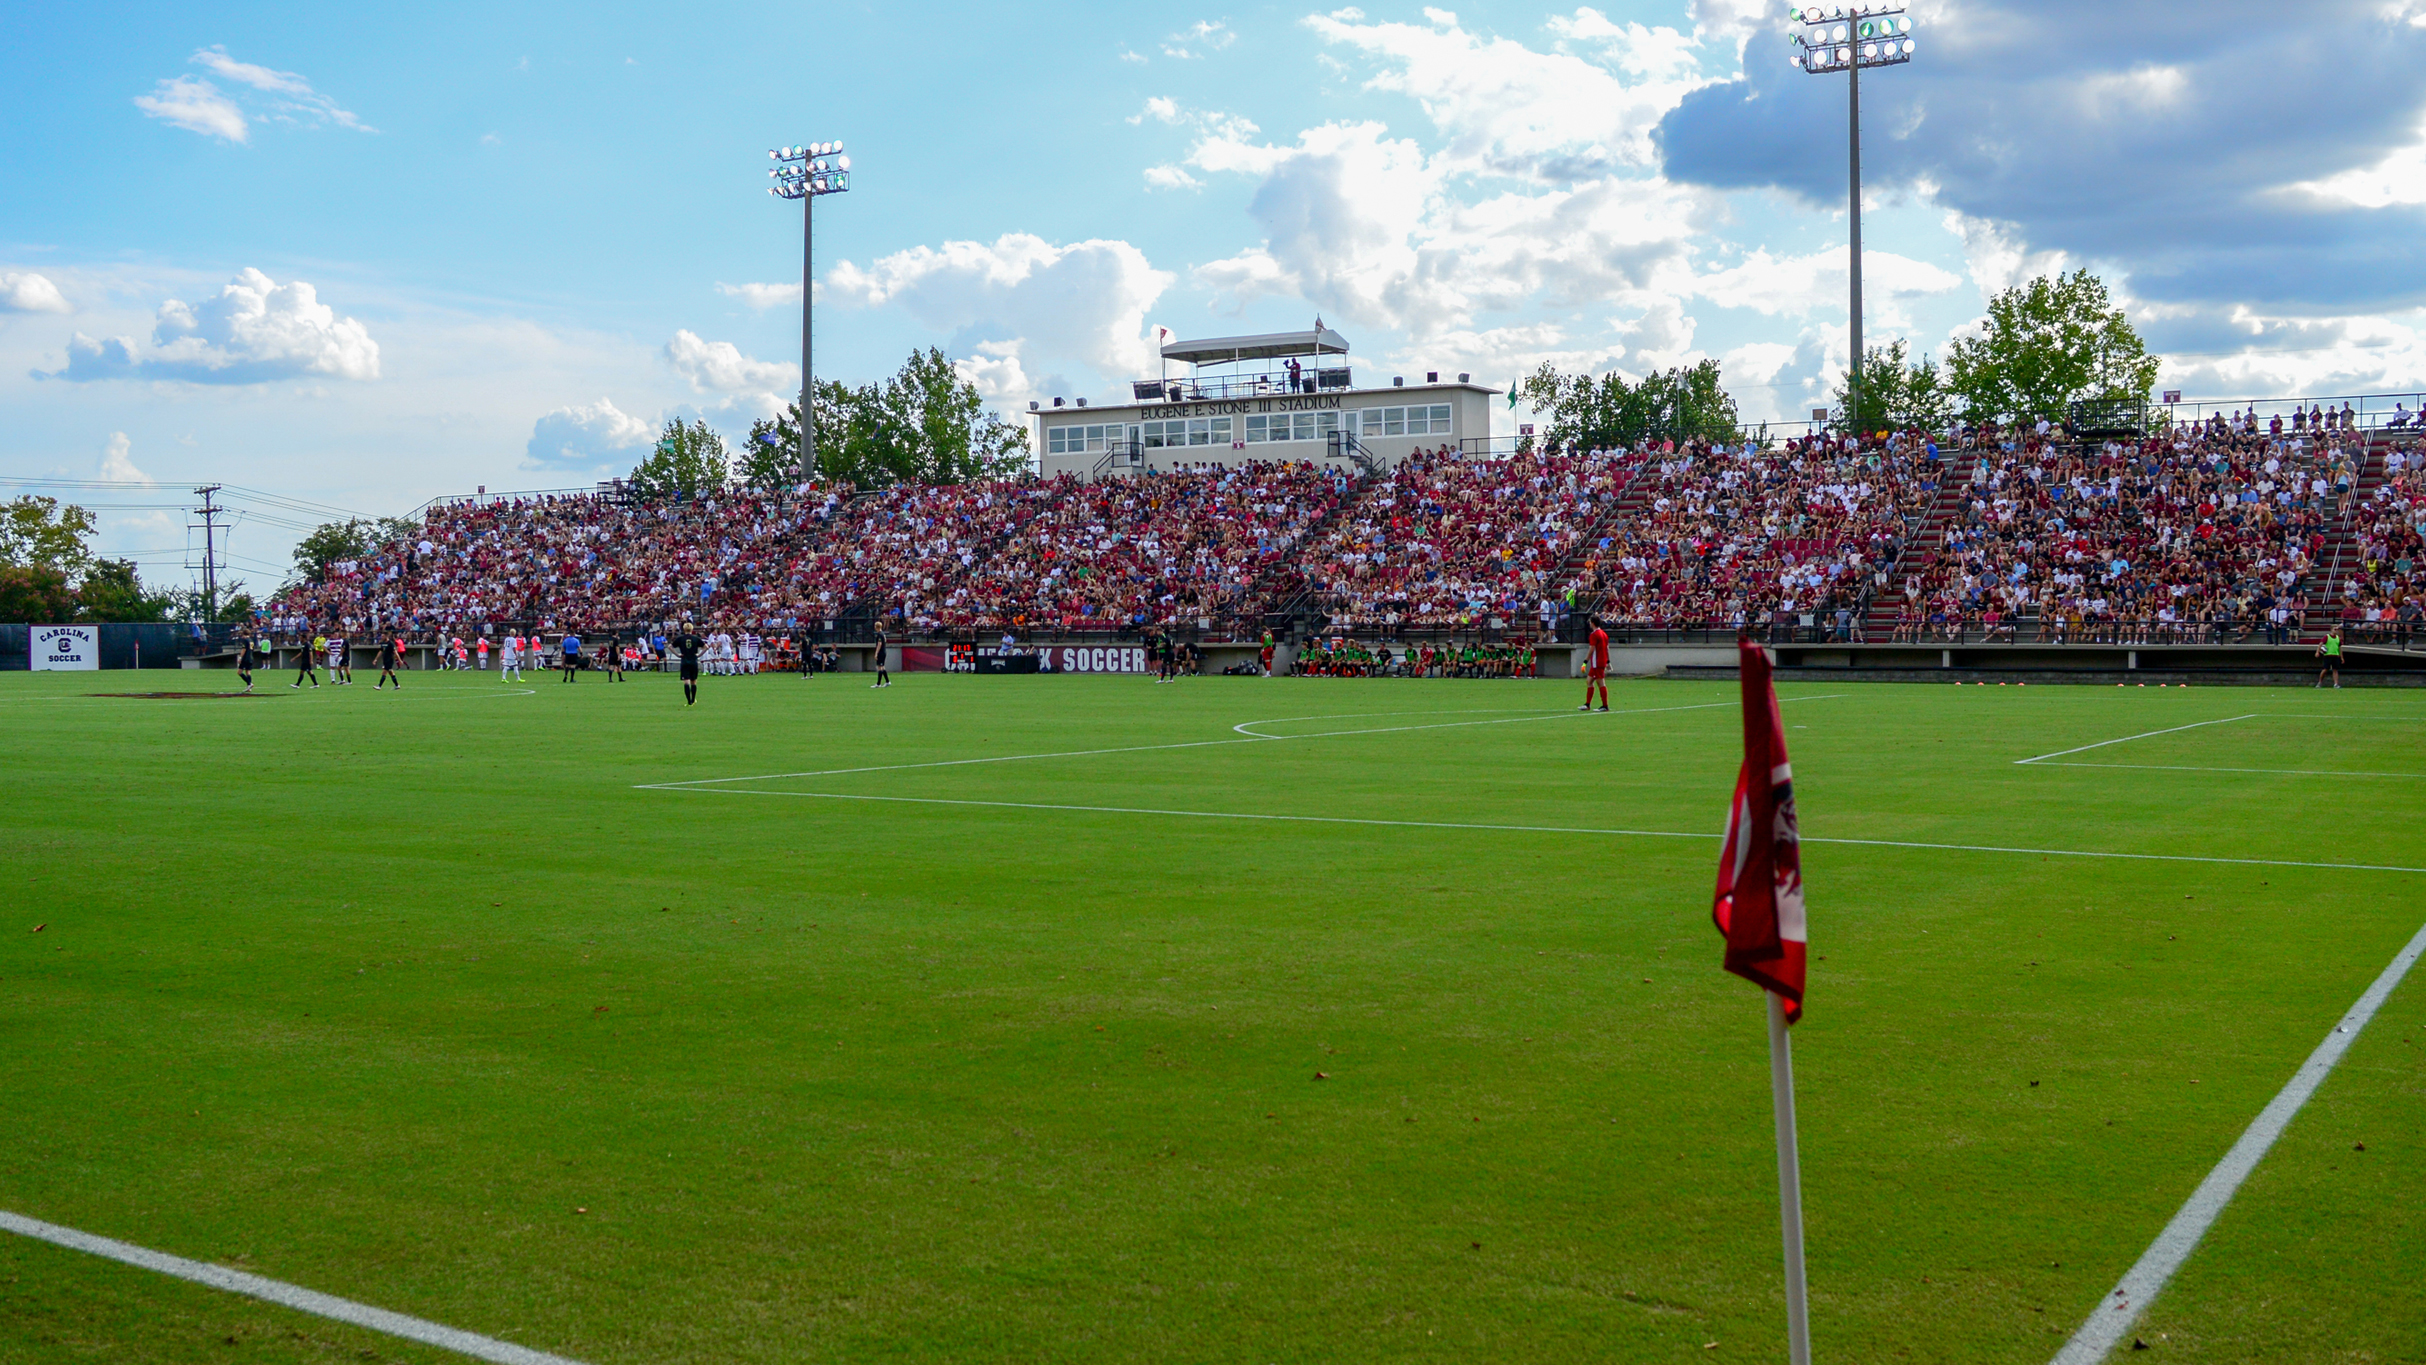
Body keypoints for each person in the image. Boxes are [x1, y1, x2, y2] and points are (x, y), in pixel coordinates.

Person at [1579, 616, 1610, 712]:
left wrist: (1585, 662)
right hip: (1599, 662)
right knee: (1589, 681)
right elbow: (1607, 648)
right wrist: (1608, 661)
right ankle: (1587, 704)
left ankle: (1605, 706)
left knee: (1600, 683)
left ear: (1592, 623)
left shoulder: (1594, 635)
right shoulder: (1604, 634)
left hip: (1597, 662)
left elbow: (1591, 649)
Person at [671, 627, 705, 706]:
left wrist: (677, 655)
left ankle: (689, 701)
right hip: (693, 661)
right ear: (692, 629)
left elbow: (670, 646)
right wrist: (699, 655)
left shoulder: (680, 638)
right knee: (693, 681)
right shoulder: (695, 638)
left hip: (684, 661)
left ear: (684, 629)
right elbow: (706, 647)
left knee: (686, 682)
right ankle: (693, 700)